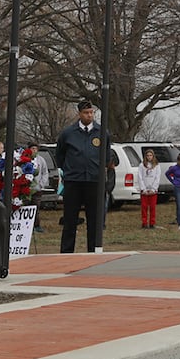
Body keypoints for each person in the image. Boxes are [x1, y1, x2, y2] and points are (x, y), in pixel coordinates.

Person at [56, 99, 110, 253]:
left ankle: (93, 250)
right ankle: (66, 252)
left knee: (94, 219)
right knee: (70, 219)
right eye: (86, 113)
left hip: (94, 181)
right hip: (74, 181)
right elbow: (60, 155)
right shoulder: (68, 133)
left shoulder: (101, 132)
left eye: (91, 112)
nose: (89, 115)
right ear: (79, 114)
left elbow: (106, 156)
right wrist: (69, 169)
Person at [137, 148, 162, 228]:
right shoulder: (142, 165)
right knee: (144, 207)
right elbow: (140, 177)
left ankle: (152, 223)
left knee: (152, 207)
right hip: (144, 190)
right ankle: (144, 223)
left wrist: (153, 189)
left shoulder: (157, 165)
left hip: (153, 190)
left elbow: (157, 177)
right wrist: (143, 189)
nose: (149, 157)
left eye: (150, 155)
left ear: (153, 156)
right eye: (147, 155)